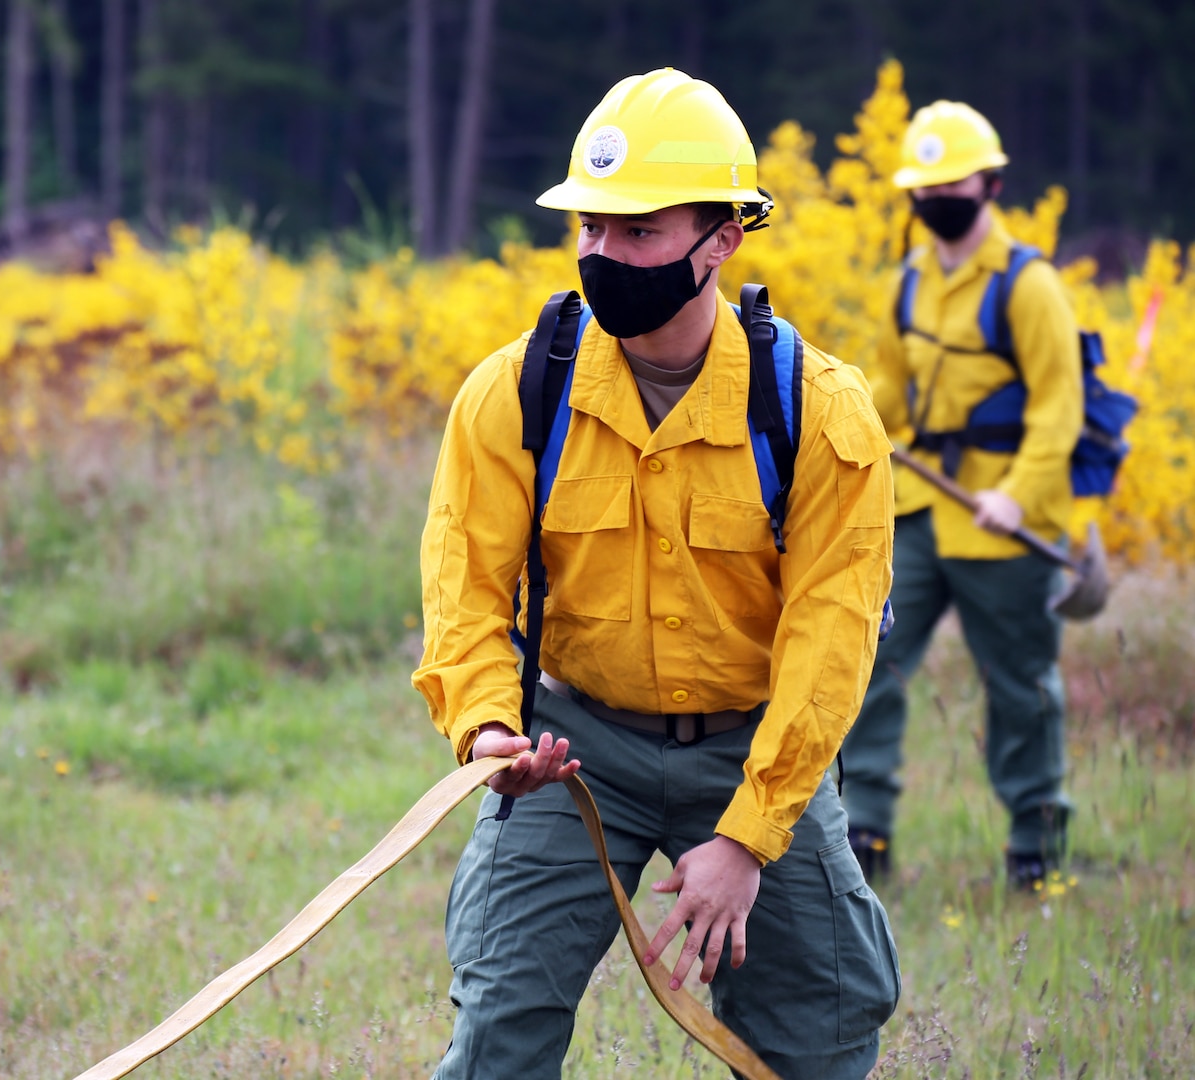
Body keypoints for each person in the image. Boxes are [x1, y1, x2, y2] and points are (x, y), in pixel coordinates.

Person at [412, 68, 900, 1080]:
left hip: (753, 743)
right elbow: (464, 586)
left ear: (720, 237)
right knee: (498, 1017)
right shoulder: (513, 394)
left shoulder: (820, 411)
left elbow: (831, 641)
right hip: (569, 740)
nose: (603, 254)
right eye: (589, 228)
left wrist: (751, 839)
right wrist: (490, 728)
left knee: (819, 1031)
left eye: (636, 232)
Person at [840, 101, 1083, 890]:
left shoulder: (1029, 285)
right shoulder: (906, 282)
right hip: (918, 509)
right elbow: (887, 389)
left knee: (1019, 687)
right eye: (923, 186)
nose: (937, 197)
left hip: (1003, 523)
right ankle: (863, 833)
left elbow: (1058, 409)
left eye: (953, 182)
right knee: (866, 658)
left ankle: (1035, 849)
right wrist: (839, 418)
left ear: (992, 184)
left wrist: (1017, 494)